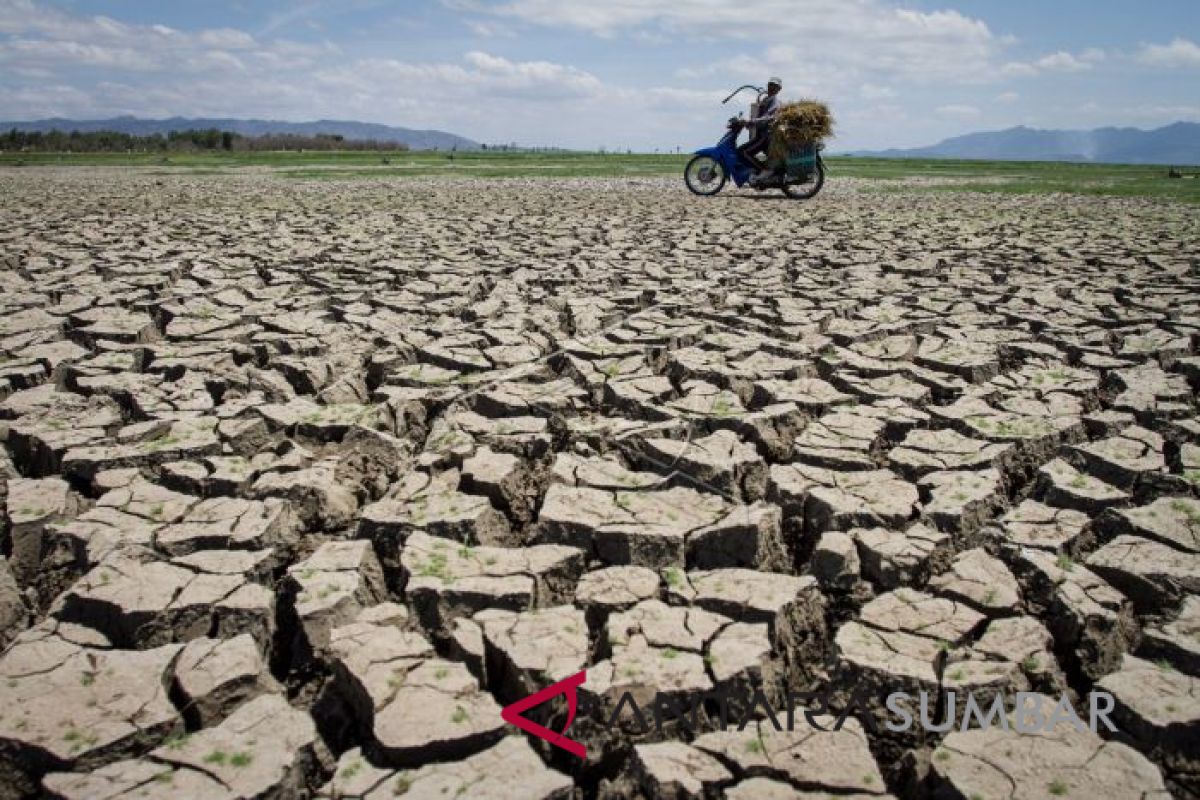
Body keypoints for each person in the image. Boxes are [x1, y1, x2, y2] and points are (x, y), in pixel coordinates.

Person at [737, 77, 782, 179]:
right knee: (741, 151)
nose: (771, 87)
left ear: (779, 89)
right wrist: (747, 123)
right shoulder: (766, 99)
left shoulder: (775, 101)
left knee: (743, 152)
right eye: (770, 85)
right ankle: (756, 171)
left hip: (765, 136)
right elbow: (759, 117)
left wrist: (752, 121)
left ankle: (765, 171)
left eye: (774, 86)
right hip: (760, 135)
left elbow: (768, 117)